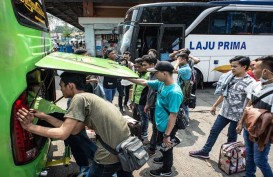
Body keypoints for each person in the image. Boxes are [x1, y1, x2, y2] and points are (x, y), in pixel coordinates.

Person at [17, 72, 133, 177]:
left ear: (70, 86)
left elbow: (62, 134)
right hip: (124, 151)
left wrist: (29, 127)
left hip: (109, 155)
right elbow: (74, 130)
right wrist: (45, 116)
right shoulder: (89, 97)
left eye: (61, 85)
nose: (61, 89)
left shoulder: (78, 99)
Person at [189, 56, 254, 159]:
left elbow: (249, 104)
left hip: (237, 116)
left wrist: (241, 122)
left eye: (235, 66)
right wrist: (214, 105)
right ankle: (205, 151)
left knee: (231, 137)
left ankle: (229, 159)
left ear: (244, 67)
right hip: (224, 112)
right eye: (231, 66)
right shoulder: (229, 77)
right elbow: (224, 93)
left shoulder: (250, 82)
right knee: (214, 131)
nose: (232, 68)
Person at [128, 61, 183, 176]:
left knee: (167, 148)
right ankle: (163, 158)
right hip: (160, 123)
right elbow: (143, 81)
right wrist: (125, 76)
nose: (154, 75)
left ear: (164, 73)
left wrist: (167, 135)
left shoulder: (174, 92)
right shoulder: (161, 83)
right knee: (162, 145)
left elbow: (173, 115)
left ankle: (166, 170)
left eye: (156, 72)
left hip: (168, 127)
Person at [236, 55, 273, 177]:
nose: (252, 71)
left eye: (255, 68)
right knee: (250, 156)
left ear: (265, 71)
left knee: (260, 161)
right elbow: (249, 104)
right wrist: (241, 122)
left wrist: (254, 112)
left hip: (262, 134)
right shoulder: (255, 85)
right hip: (248, 128)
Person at [131, 57, 150, 141]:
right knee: (136, 118)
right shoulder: (137, 73)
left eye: (139, 67)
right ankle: (137, 132)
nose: (137, 68)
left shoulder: (148, 75)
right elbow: (134, 87)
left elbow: (149, 92)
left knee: (144, 118)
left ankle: (144, 134)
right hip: (135, 100)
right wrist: (132, 100)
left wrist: (147, 103)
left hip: (143, 101)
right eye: (136, 67)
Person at [143, 55, 158, 156]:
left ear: (152, 64)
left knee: (156, 128)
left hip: (158, 107)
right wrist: (147, 104)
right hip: (152, 105)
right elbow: (150, 91)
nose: (143, 67)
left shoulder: (158, 75)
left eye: (145, 65)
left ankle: (152, 147)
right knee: (154, 127)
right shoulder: (150, 74)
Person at [174, 53, 192, 123]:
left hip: (184, 90)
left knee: (184, 106)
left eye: (179, 59)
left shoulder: (186, 69)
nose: (177, 60)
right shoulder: (183, 67)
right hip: (181, 89)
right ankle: (182, 119)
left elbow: (173, 70)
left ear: (184, 60)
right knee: (182, 105)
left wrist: (177, 63)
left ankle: (186, 121)